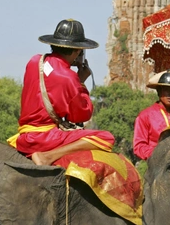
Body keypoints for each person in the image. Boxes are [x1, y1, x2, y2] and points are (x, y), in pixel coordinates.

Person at [10, 19, 115, 166]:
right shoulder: (69, 77)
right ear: (78, 50)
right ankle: (48, 156)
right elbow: (81, 114)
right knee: (106, 137)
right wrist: (81, 83)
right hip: (45, 138)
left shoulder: (34, 61)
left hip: (24, 135)